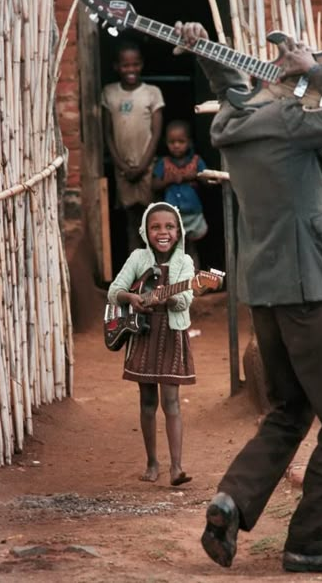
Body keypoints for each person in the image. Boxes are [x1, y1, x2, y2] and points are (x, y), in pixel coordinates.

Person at [174, 21, 322, 574]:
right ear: (277, 85)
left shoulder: (233, 123)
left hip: (265, 293)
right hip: (309, 290)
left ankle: (231, 502)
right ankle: (311, 541)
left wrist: (202, 51)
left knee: (290, 409)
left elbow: (233, 89)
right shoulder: (289, 122)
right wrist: (313, 69)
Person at [107, 201, 196, 487]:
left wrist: (168, 297)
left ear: (179, 231)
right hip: (142, 334)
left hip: (171, 335)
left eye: (170, 226)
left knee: (171, 401)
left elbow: (185, 301)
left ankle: (177, 468)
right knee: (147, 401)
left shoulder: (185, 263)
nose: (163, 232)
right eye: (155, 226)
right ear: (146, 230)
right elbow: (114, 291)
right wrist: (132, 299)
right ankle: (152, 462)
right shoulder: (137, 258)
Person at [101, 40, 164, 252]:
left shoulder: (152, 92)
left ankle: (158, 275)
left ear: (142, 65)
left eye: (135, 64)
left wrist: (143, 165)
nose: (131, 69)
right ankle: (137, 275)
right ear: (116, 67)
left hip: (148, 168)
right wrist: (123, 167)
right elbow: (107, 134)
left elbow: (156, 133)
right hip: (123, 169)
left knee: (153, 222)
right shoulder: (109, 92)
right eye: (125, 65)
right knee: (131, 223)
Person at [152, 119, 208, 269]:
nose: (176, 145)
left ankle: (194, 282)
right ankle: (173, 284)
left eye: (181, 141)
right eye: (172, 142)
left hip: (192, 214)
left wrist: (194, 176)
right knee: (171, 250)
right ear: (166, 143)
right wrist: (167, 180)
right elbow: (154, 185)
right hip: (172, 216)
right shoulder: (164, 163)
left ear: (189, 142)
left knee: (191, 249)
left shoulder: (196, 161)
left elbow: (208, 180)